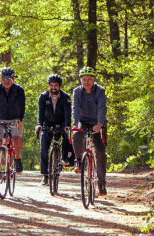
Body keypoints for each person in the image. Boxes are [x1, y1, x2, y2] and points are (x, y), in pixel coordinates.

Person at [72, 67, 108, 196]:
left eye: (88, 80)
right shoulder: (77, 91)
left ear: (93, 80)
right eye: (83, 80)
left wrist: (99, 124)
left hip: (98, 122)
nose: (86, 82)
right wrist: (75, 123)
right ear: (81, 80)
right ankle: (79, 161)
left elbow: (102, 107)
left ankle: (101, 183)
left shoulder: (100, 91)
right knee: (76, 134)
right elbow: (75, 107)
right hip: (83, 120)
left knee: (100, 152)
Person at [0, 67, 25, 175]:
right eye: (4, 78)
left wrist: (20, 120)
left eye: (9, 78)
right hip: (0, 119)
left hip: (15, 119)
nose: (6, 80)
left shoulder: (19, 89)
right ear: (1, 79)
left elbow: (22, 106)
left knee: (16, 138)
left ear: (13, 79)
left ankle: (17, 159)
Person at [35, 74, 72, 186]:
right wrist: (39, 125)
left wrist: (67, 126)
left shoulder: (66, 97)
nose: (53, 88)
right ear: (49, 86)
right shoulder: (43, 96)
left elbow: (67, 113)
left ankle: (64, 157)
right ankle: (45, 176)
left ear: (60, 86)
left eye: (56, 85)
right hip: (47, 123)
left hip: (61, 123)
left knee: (66, 135)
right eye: (51, 85)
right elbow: (40, 112)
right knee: (43, 147)